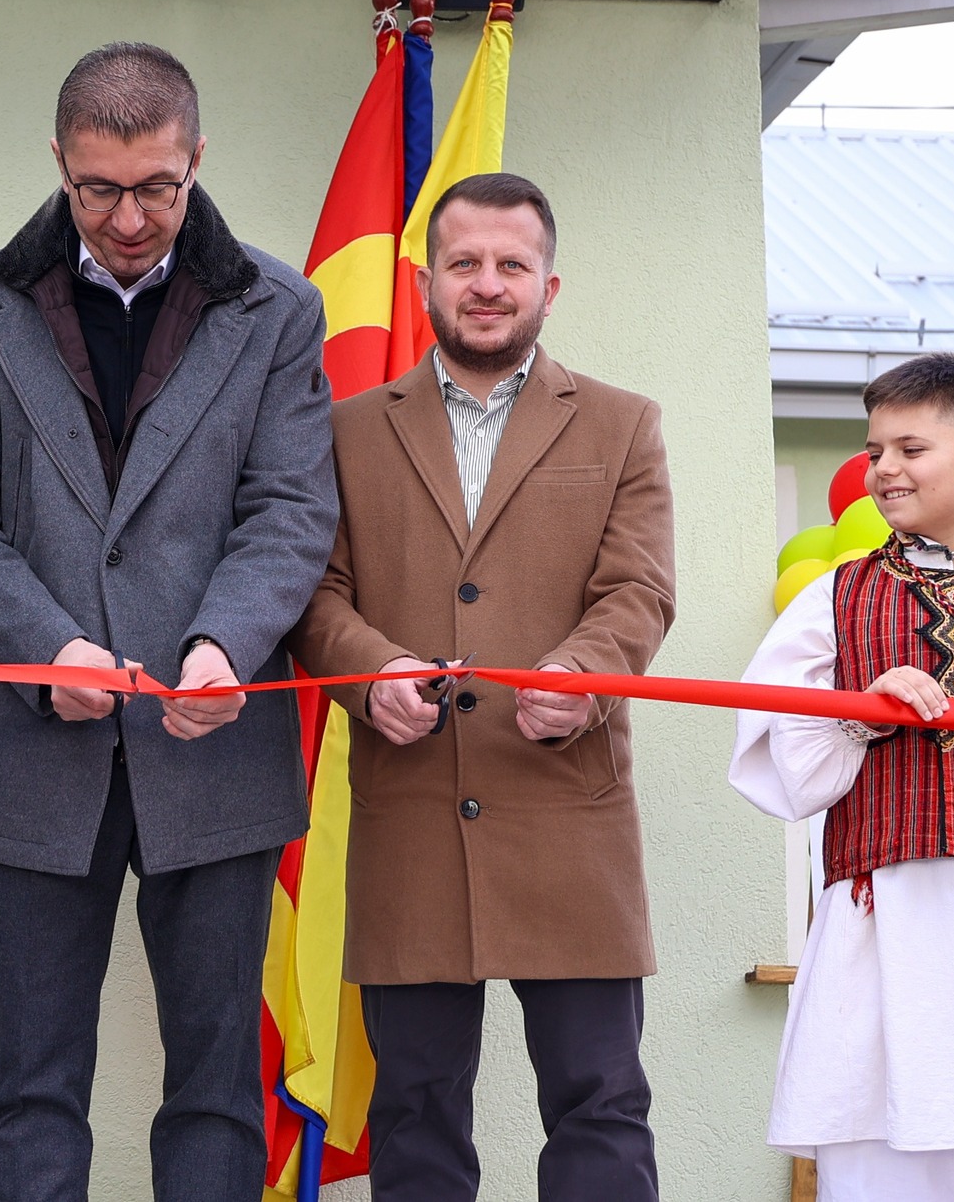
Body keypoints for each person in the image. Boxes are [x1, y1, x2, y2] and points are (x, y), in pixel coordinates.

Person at [0, 41, 338, 1202]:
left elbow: (291, 510)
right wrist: (47, 647)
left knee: (214, 1091)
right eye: (97, 189)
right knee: (31, 1088)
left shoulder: (280, 309)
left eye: (156, 187)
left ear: (197, 160)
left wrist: (222, 645)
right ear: (58, 161)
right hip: (34, 749)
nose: (128, 218)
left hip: (218, 744)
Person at [286, 172, 675, 1202]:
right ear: (425, 281)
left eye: (512, 264)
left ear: (551, 285)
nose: (488, 283)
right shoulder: (343, 429)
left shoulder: (622, 423)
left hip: (569, 813)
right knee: (414, 1113)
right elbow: (312, 594)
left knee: (598, 1104)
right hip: (410, 813)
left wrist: (582, 677)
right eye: (463, 263)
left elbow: (638, 590)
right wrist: (370, 674)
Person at [731, 353, 954, 1201]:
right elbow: (786, 772)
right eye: (874, 451)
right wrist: (858, 711)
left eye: (910, 448)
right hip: (884, 933)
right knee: (880, 1163)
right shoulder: (834, 599)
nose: (883, 470)